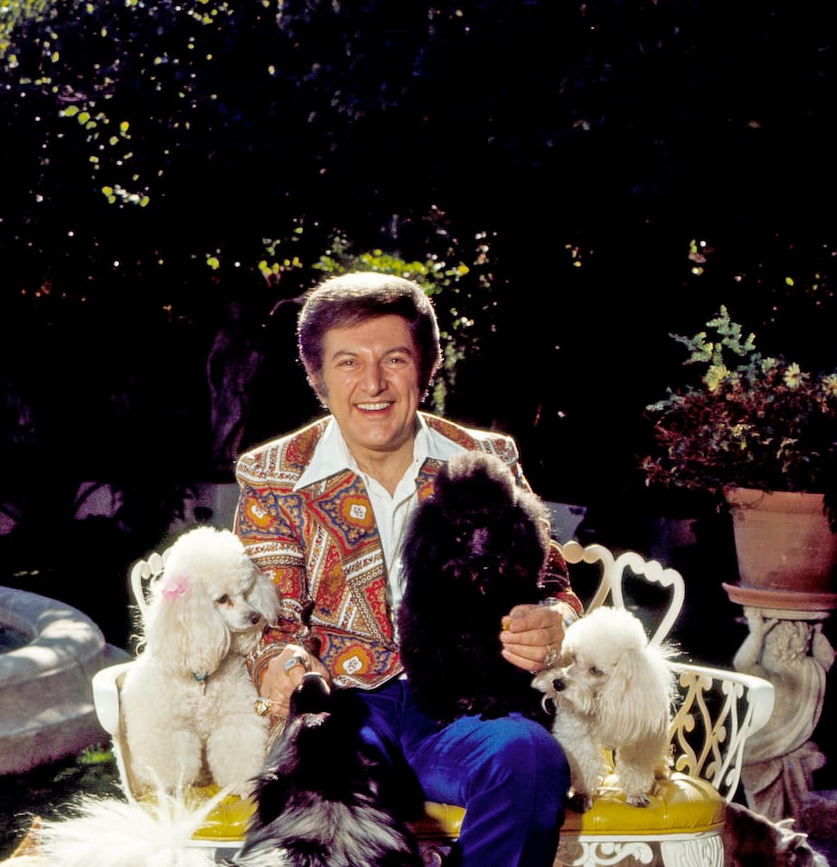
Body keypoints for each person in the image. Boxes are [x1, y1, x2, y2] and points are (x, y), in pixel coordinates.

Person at [231, 271, 582, 867]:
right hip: (344, 711)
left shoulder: (488, 461)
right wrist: (283, 664)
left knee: (530, 758)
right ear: (317, 377)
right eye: (347, 363)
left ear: (426, 368)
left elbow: (553, 586)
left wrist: (553, 622)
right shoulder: (273, 474)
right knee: (328, 787)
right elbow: (272, 619)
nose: (373, 384)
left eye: (394, 358)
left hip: (466, 705)